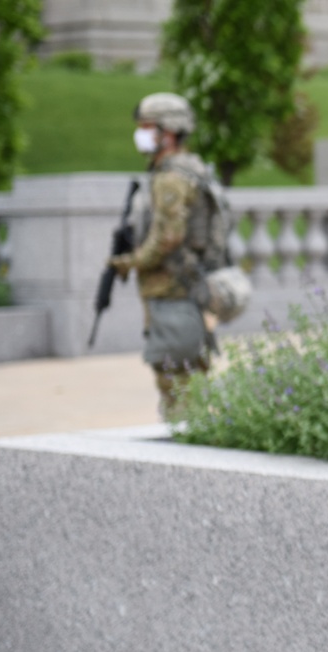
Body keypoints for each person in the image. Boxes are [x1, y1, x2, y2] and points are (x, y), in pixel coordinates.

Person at [109, 92, 221, 415]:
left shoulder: (172, 177)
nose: (141, 134)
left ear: (168, 133)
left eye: (147, 127)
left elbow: (168, 237)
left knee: (176, 383)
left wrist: (131, 262)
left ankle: (184, 451)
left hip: (174, 291)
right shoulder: (185, 170)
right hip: (180, 291)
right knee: (185, 377)